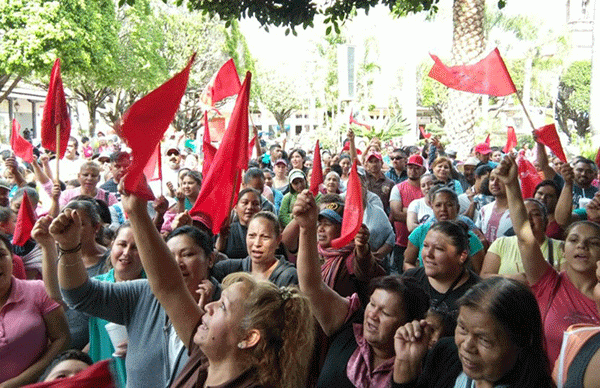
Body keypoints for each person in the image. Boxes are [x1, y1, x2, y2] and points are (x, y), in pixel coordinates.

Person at [119, 188, 315, 388]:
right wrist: (137, 212)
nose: (208, 306)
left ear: (248, 337)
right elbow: (168, 288)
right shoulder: (204, 356)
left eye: (223, 306)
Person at [53, 210, 219, 388]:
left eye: (187, 254)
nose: (177, 263)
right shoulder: (143, 293)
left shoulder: (226, 306)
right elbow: (79, 295)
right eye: (169, 256)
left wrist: (201, 322)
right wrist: (68, 248)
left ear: (210, 259)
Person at [292, 189, 429, 388]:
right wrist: (306, 228)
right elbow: (312, 287)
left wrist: (404, 371)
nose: (372, 315)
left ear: (408, 323)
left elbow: (365, 269)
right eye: (372, 305)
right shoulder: (350, 327)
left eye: (386, 313)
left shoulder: (418, 367)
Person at [496, 154, 600, 367]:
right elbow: (526, 239)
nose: (582, 246)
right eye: (574, 240)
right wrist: (511, 185)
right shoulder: (548, 284)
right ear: (563, 248)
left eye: (593, 243)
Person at [392, 277, 555, 388]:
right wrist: (406, 365)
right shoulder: (445, 354)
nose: (467, 346)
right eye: (462, 328)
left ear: (522, 341)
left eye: (484, 340)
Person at [0, 232, 70, 386]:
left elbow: (62, 339)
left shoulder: (38, 291)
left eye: (1, 255)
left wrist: (17, 383)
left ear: (12, 258)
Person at [403, 221, 480, 330]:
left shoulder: (478, 294)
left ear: (462, 256)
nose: (428, 254)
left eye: (439, 249)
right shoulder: (410, 279)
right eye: (425, 246)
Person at [481, 198, 564, 282]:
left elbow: (567, 283)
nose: (528, 218)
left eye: (535, 214)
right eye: (523, 214)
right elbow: (484, 276)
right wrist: (513, 279)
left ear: (546, 221)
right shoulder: (501, 243)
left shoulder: (561, 248)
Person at [404, 189, 485, 273]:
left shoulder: (470, 238)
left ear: (457, 208)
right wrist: (422, 278)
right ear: (432, 207)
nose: (443, 209)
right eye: (438, 205)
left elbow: (479, 273)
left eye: (449, 205)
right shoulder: (420, 232)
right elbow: (407, 262)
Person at [214, 211, 298, 287]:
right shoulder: (231, 268)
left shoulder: (288, 276)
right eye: (252, 236)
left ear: (278, 240)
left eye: (265, 237)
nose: (257, 243)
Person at [390, 155, 426, 273]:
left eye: (416, 168)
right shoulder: (398, 188)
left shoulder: (427, 188)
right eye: (410, 167)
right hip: (402, 242)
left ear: (423, 170)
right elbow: (396, 214)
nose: (413, 171)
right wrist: (419, 214)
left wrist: (407, 210)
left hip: (425, 243)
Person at [216, 188, 262, 259]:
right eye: (245, 203)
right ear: (235, 207)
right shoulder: (228, 230)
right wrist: (222, 238)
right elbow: (218, 252)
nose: (249, 207)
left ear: (260, 209)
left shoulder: (265, 232)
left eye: (255, 204)